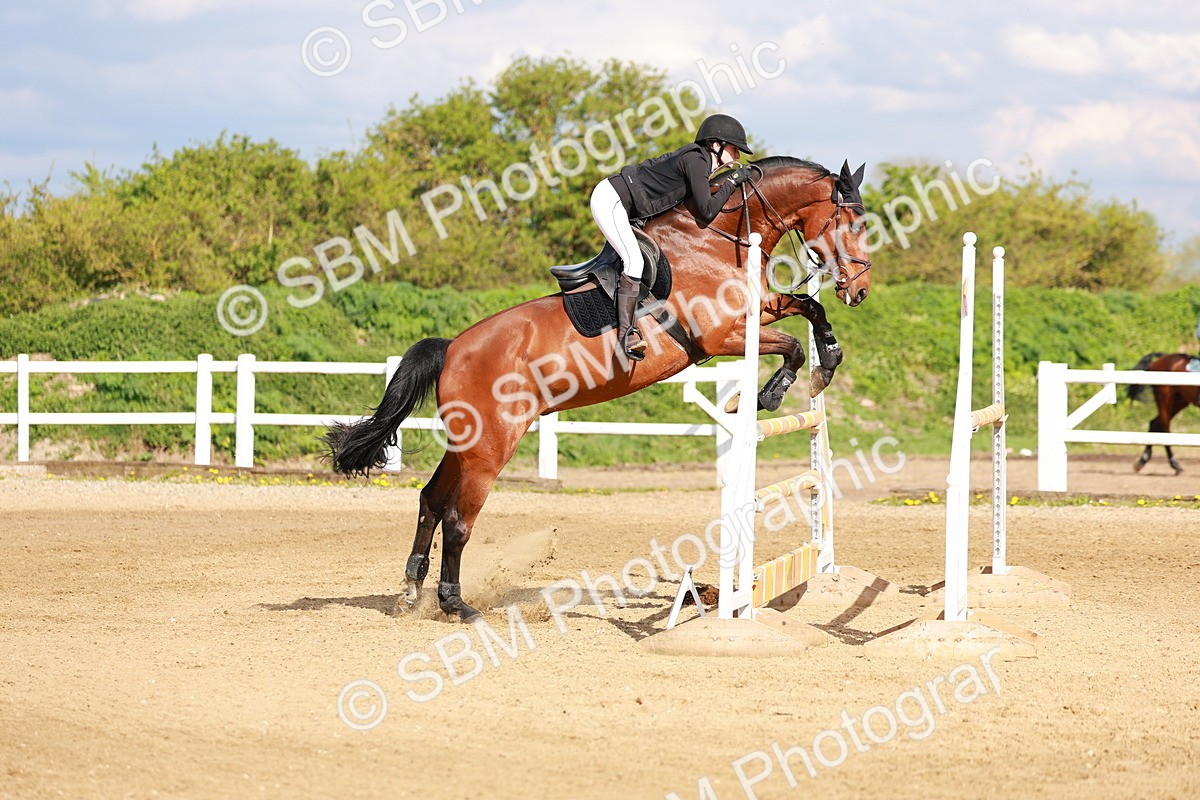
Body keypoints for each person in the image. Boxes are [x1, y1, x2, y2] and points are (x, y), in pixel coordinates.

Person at [589, 113, 754, 361]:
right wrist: (732, 181)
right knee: (634, 261)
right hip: (612, 200)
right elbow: (707, 211)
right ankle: (626, 335)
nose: (738, 157)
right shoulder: (697, 160)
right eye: (734, 149)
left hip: (625, 205)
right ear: (716, 145)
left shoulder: (700, 162)